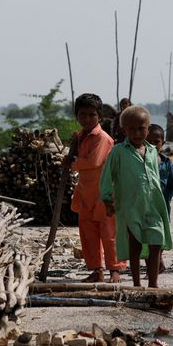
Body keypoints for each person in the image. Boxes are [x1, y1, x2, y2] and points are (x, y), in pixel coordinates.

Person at [100, 106, 172, 288]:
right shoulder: (118, 152)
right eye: (132, 129)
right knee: (135, 245)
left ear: (148, 128)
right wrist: (108, 199)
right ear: (124, 130)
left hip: (153, 205)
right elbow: (107, 176)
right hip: (131, 206)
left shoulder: (152, 151)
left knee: (156, 242)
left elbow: (154, 176)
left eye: (141, 128)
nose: (137, 133)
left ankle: (153, 284)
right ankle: (137, 283)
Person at [65, 93, 125, 283]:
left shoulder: (103, 138)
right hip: (85, 192)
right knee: (88, 234)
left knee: (109, 233)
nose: (87, 119)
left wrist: (71, 164)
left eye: (92, 115)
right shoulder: (80, 137)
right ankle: (96, 269)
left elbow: (94, 161)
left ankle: (114, 270)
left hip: (105, 193)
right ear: (77, 116)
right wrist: (71, 157)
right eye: (82, 115)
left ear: (99, 116)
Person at [145, 125, 173, 215]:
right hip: (143, 205)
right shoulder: (138, 161)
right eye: (148, 142)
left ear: (162, 143)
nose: (152, 145)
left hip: (162, 205)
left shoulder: (167, 163)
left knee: (162, 226)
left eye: (156, 142)